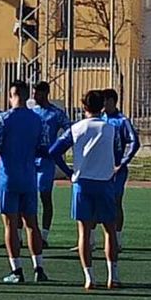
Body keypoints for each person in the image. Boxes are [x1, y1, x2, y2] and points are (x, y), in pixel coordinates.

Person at [48, 91, 123, 289]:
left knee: (84, 231)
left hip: (82, 183)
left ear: (84, 107)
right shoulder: (111, 128)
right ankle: (113, 276)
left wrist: (68, 171)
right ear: (102, 106)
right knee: (110, 230)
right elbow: (117, 153)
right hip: (105, 182)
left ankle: (89, 277)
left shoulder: (77, 128)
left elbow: (54, 151)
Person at [0, 79, 49, 284]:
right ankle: (39, 267)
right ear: (27, 95)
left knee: (11, 224)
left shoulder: (3, 119)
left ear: (11, 95)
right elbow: (44, 147)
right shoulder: (37, 120)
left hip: (8, 177)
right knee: (32, 224)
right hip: (29, 177)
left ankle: (17, 269)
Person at [29, 80, 69, 241]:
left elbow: (70, 130)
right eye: (33, 92)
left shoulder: (56, 113)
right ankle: (21, 236)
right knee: (25, 196)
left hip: (46, 160)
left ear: (45, 93)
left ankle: (44, 236)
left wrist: (58, 148)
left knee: (45, 196)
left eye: (37, 92)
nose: (34, 96)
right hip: (30, 160)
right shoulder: (31, 112)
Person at [102, 88, 139, 250]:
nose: (102, 104)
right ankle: (89, 240)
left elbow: (134, 142)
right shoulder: (99, 118)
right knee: (96, 202)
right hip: (99, 168)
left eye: (105, 100)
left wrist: (123, 162)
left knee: (115, 202)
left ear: (112, 101)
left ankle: (117, 239)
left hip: (116, 170)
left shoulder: (122, 120)